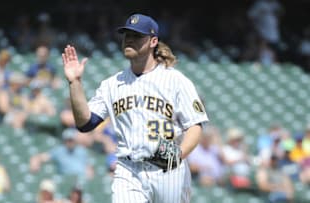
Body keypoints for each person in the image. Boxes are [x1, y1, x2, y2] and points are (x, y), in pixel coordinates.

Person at [61, 13, 209, 202]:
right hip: (128, 168)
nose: (130, 40)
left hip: (167, 168)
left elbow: (195, 125)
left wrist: (179, 154)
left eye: (137, 36)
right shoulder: (112, 84)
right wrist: (75, 83)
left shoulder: (175, 80)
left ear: (153, 41)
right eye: (127, 35)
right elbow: (85, 123)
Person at [29, 128, 94, 180]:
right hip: (66, 180)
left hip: (81, 179)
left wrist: (89, 176)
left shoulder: (81, 150)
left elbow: (88, 167)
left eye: (71, 140)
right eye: (68, 140)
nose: (70, 142)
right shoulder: (59, 151)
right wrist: (35, 160)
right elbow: (42, 157)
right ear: (64, 140)